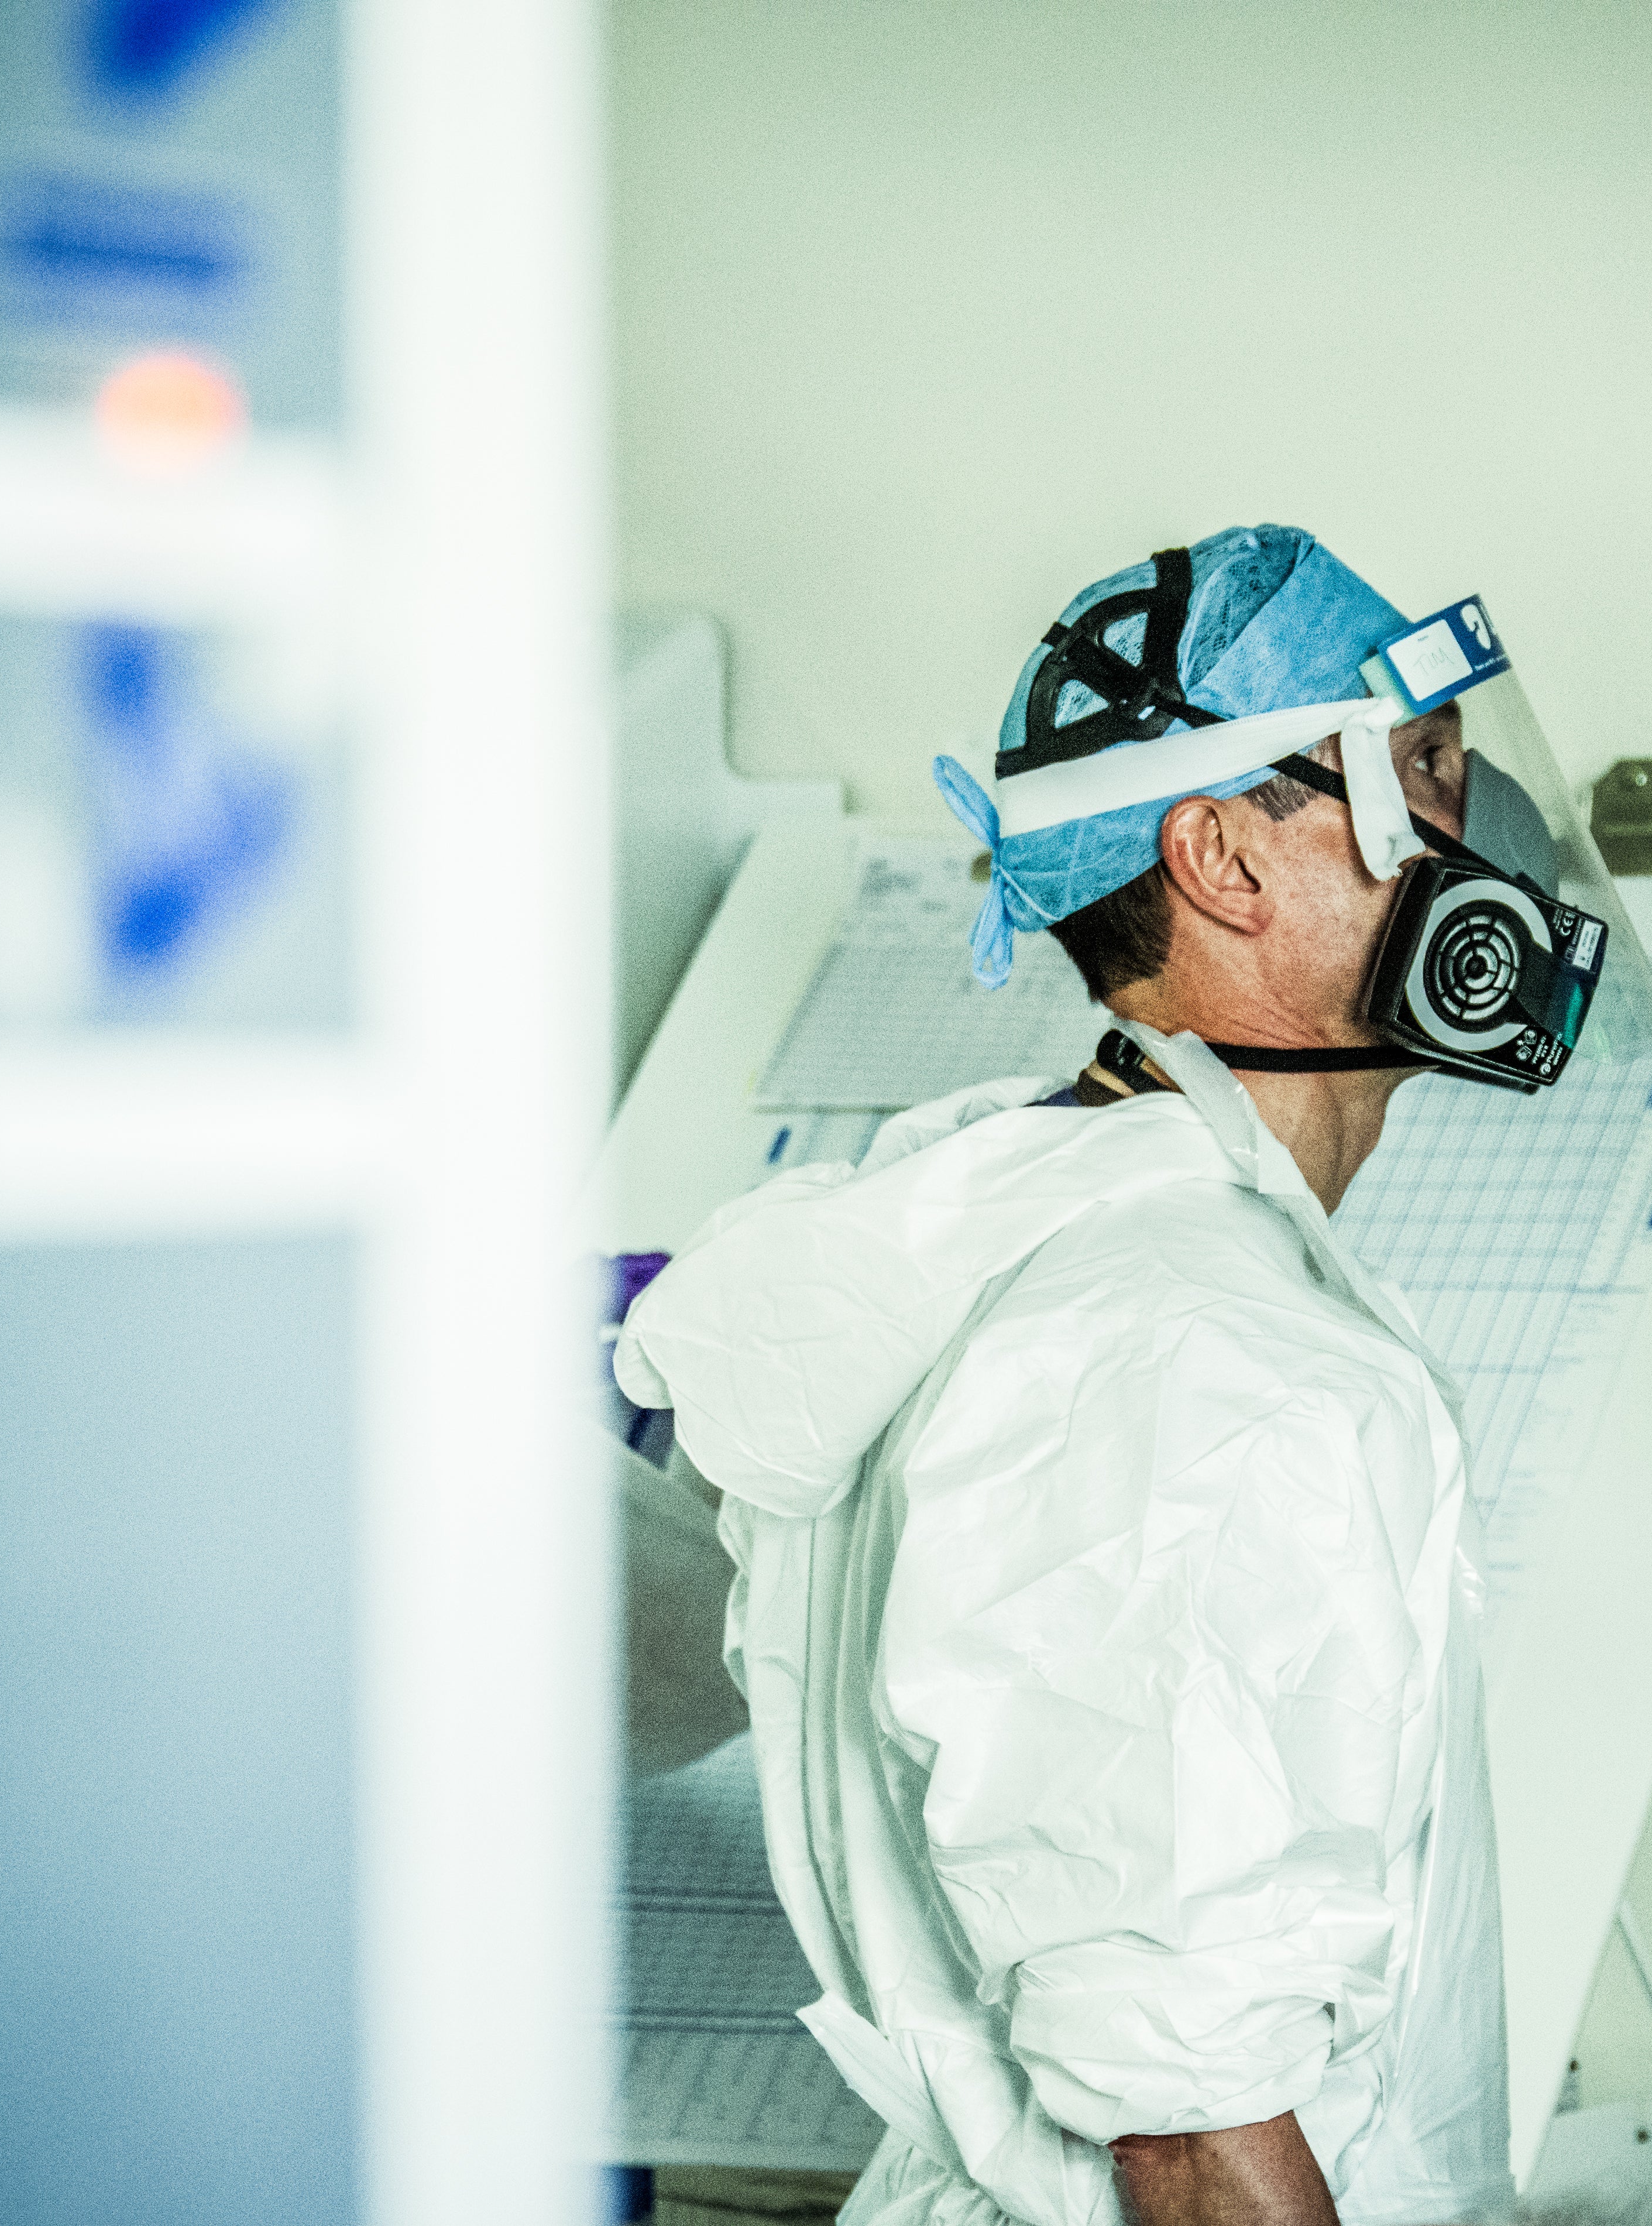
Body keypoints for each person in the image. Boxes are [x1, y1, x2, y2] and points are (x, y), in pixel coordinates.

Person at [618, 527, 1574, 2226]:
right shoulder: (1186, 1351)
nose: (1477, 822)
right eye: (1418, 767)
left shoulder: (1102, 1236)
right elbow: (1196, 2125)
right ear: (1218, 857)